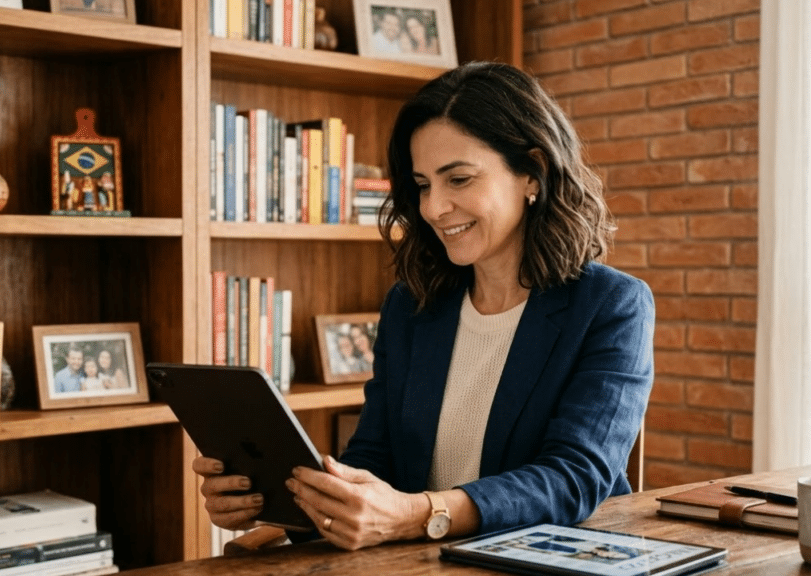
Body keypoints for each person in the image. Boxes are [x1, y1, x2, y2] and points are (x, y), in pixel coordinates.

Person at [193, 61, 654, 551]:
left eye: (458, 179)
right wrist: (289, 499)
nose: (433, 208)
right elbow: (376, 460)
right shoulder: (412, 306)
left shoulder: (610, 305)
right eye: (423, 184)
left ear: (532, 175)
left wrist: (418, 514)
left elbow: (572, 479)